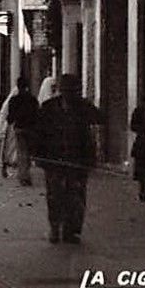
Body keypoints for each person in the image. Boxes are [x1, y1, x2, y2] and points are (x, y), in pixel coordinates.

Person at [34, 73, 103, 244]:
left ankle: (71, 230)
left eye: (73, 91)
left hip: (77, 159)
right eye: (67, 91)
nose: (70, 95)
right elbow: (39, 133)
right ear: (60, 91)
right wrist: (39, 156)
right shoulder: (48, 107)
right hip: (54, 159)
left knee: (76, 196)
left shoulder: (82, 107)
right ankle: (55, 227)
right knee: (54, 195)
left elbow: (99, 118)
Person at [0, 76, 38, 185]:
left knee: (22, 151)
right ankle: (26, 174)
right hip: (30, 128)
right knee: (28, 152)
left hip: (19, 128)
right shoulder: (32, 99)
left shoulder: (14, 100)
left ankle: (23, 175)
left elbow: (10, 116)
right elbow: (36, 113)